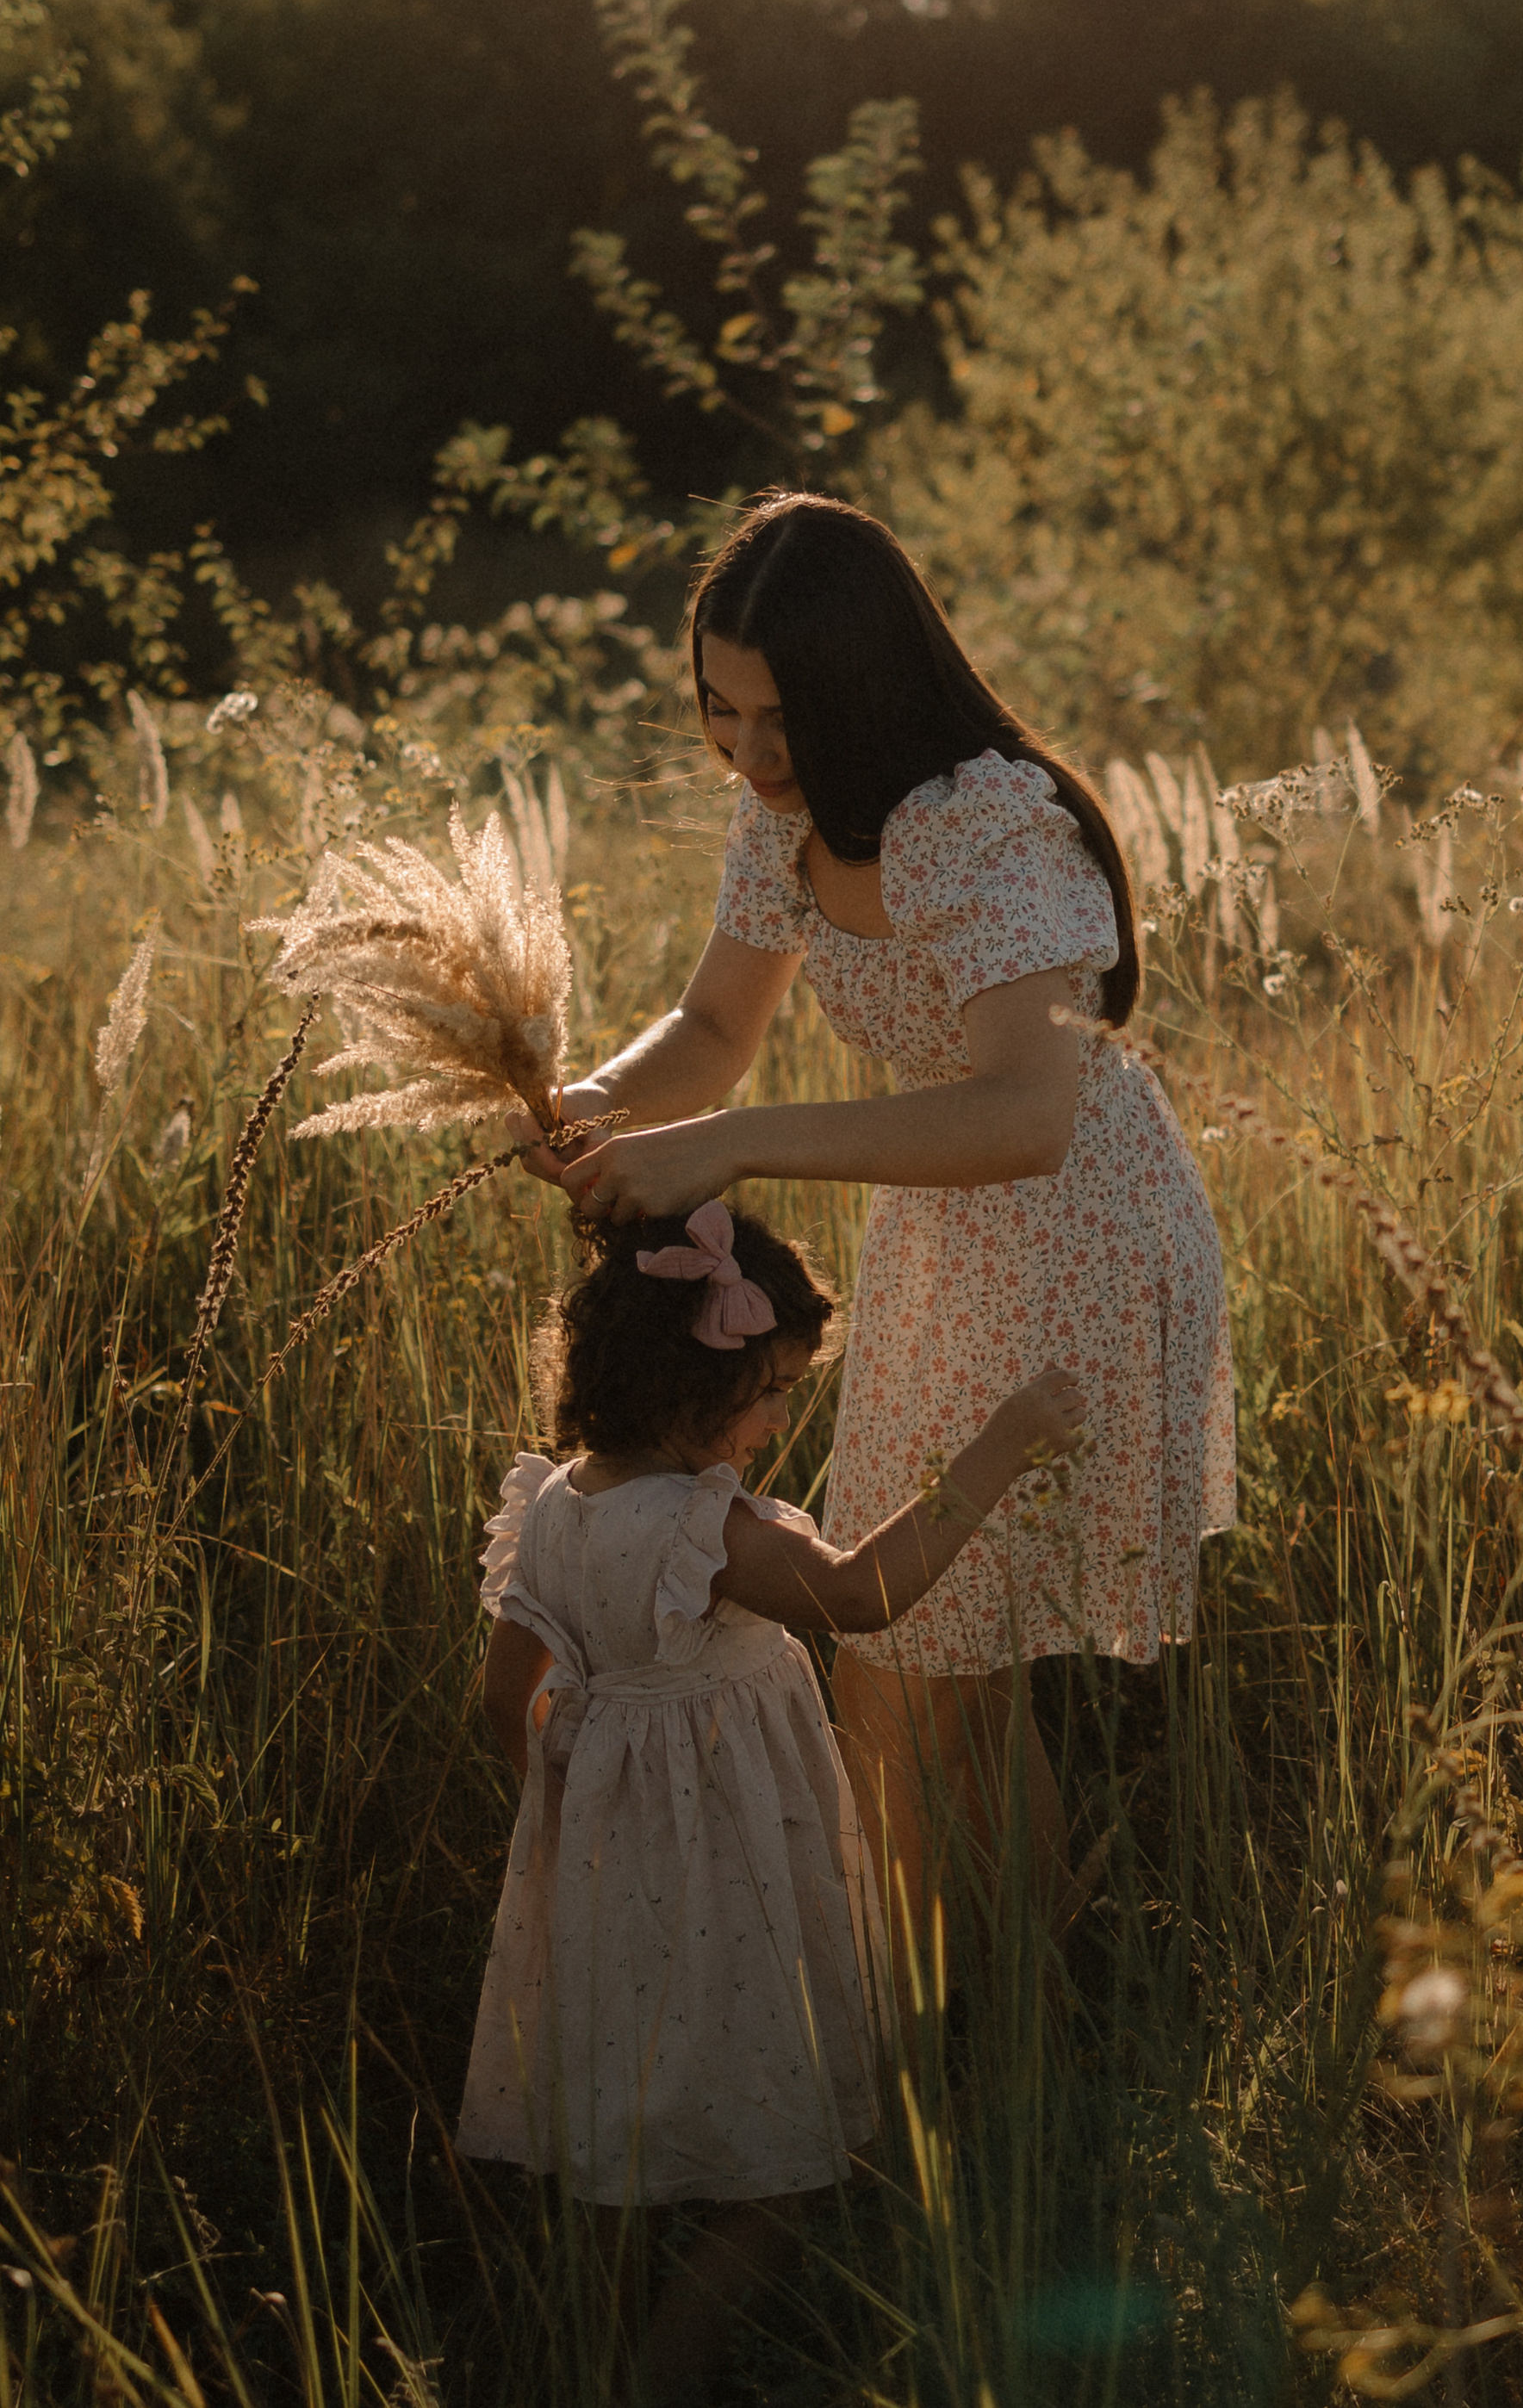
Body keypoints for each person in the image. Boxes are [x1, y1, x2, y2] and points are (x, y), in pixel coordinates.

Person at [520, 491, 1234, 1977]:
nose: (751, 754)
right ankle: (997, 2033)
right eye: (722, 710)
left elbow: (1027, 1114)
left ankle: (954, 2047)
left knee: (917, 1670)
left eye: (783, 718)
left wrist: (729, 1144)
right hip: (947, 1234)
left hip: (1077, 1234)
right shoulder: (786, 808)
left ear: (867, 690)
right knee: (924, 1671)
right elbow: (718, 1024)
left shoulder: (988, 823)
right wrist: (594, 1101)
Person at [457, 1198, 1085, 2405]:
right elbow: (863, 1593)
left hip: (605, 1876)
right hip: (731, 1879)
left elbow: (506, 1703)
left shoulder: (548, 1507)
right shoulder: (706, 1527)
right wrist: (998, 1449)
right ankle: (657, 2377)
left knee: (613, 2147)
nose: (778, 1423)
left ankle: (579, 2358)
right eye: (771, 1392)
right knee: (786, 2167)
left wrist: (587, 1804)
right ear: (689, 1389)